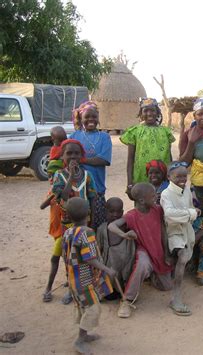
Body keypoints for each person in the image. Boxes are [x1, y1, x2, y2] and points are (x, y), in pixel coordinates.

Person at [108, 183, 173, 318]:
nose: (156, 197)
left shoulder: (157, 210)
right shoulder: (131, 216)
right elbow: (112, 226)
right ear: (142, 200)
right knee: (142, 265)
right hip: (143, 250)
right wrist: (125, 234)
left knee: (166, 286)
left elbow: (163, 231)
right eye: (153, 195)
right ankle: (127, 300)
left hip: (158, 250)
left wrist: (166, 252)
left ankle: (150, 276)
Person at [62, 197, 115, 355]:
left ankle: (84, 335)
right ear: (88, 214)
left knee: (83, 307)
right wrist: (107, 269)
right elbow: (89, 258)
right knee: (92, 308)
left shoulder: (68, 232)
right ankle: (79, 340)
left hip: (73, 278)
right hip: (83, 280)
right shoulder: (87, 233)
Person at [49, 139, 97, 304]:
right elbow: (62, 196)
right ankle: (70, 286)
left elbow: (92, 198)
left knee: (85, 255)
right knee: (68, 256)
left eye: (77, 153)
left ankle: (83, 284)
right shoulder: (59, 175)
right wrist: (70, 176)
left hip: (85, 224)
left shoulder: (87, 175)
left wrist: (93, 221)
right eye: (69, 153)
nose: (73, 156)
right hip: (67, 225)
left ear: (82, 156)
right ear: (62, 155)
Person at [160, 162, 199, 316]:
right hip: (174, 232)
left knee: (184, 259)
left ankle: (176, 289)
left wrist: (192, 212)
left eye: (185, 175)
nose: (182, 179)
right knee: (182, 257)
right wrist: (191, 213)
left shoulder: (187, 190)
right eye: (178, 176)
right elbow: (169, 214)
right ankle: (176, 297)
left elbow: (189, 207)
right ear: (169, 177)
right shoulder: (166, 194)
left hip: (186, 230)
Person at [70, 101, 112, 229]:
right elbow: (68, 157)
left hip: (97, 189)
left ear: (98, 118)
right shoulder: (74, 136)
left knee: (97, 224)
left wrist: (81, 160)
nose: (91, 120)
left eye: (94, 116)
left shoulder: (104, 137)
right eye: (87, 117)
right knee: (78, 226)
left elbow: (103, 160)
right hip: (77, 189)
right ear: (81, 118)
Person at [120, 98, 175, 198]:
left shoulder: (166, 132)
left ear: (157, 112)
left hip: (163, 179)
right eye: (146, 111)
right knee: (142, 206)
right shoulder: (134, 131)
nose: (149, 114)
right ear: (141, 114)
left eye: (152, 110)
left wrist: (171, 177)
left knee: (163, 206)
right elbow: (130, 159)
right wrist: (129, 183)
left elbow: (169, 157)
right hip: (141, 177)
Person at [40, 126, 67, 302]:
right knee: (58, 251)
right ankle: (49, 286)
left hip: (68, 217)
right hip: (57, 209)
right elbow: (54, 183)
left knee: (69, 254)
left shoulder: (81, 176)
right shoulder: (55, 161)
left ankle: (69, 283)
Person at [96, 197, 135, 295]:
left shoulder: (127, 229)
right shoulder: (102, 229)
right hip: (108, 270)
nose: (115, 215)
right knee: (108, 295)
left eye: (118, 212)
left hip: (124, 271)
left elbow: (132, 253)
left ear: (122, 212)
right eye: (111, 212)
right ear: (105, 212)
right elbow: (98, 250)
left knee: (123, 290)